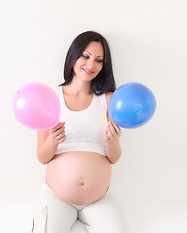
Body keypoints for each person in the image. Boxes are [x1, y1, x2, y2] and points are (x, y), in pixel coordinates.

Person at [31, 31, 128, 233]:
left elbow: (114, 157)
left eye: (99, 60)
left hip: (98, 200)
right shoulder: (50, 99)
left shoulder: (110, 100)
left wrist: (112, 142)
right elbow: (42, 156)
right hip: (56, 197)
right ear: (73, 56)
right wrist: (52, 142)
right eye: (85, 56)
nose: (91, 65)